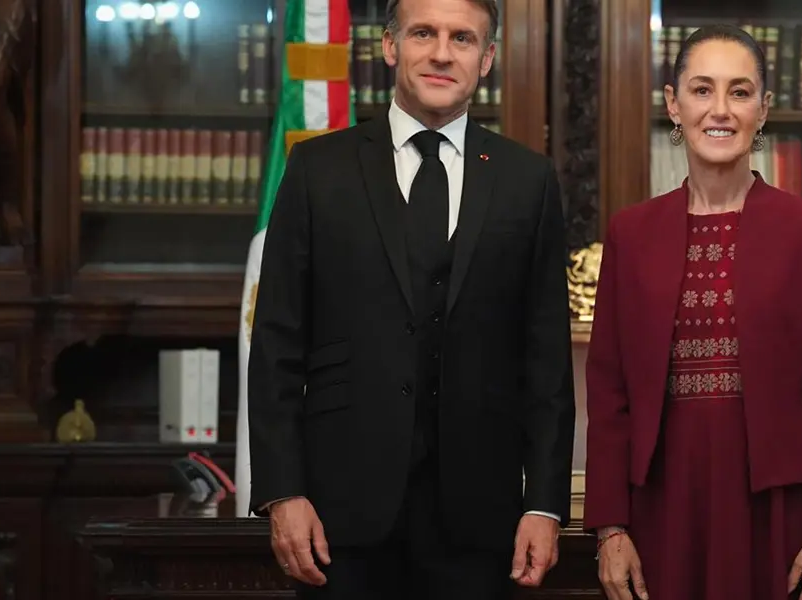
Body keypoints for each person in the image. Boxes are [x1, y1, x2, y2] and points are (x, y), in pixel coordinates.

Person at [246, 0, 576, 598]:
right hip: (338, 517)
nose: (442, 54)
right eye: (424, 33)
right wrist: (282, 491)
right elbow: (276, 345)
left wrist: (545, 504)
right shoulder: (318, 170)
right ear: (390, 46)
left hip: (481, 521)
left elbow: (547, 361)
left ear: (487, 58)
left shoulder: (528, 181)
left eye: (463, 39)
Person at [583, 25, 802, 600]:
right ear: (673, 103)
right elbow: (609, 393)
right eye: (702, 89)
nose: (721, 110)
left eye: (740, 92)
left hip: (777, 509)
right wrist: (609, 527)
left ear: (764, 109)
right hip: (660, 503)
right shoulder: (631, 233)